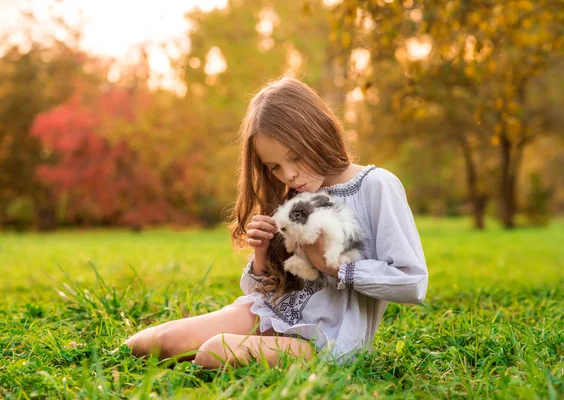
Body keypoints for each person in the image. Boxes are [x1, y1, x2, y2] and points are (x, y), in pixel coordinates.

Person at [123, 76, 428, 368]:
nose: (289, 175)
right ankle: (88, 353)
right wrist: (261, 253)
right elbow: (261, 291)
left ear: (318, 131)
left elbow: (412, 282)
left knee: (213, 351)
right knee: (162, 340)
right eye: (275, 167)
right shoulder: (294, 195)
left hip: (328, 339)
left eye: (294, 157)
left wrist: (333, 266)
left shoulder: (376, 186)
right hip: (273, 312)